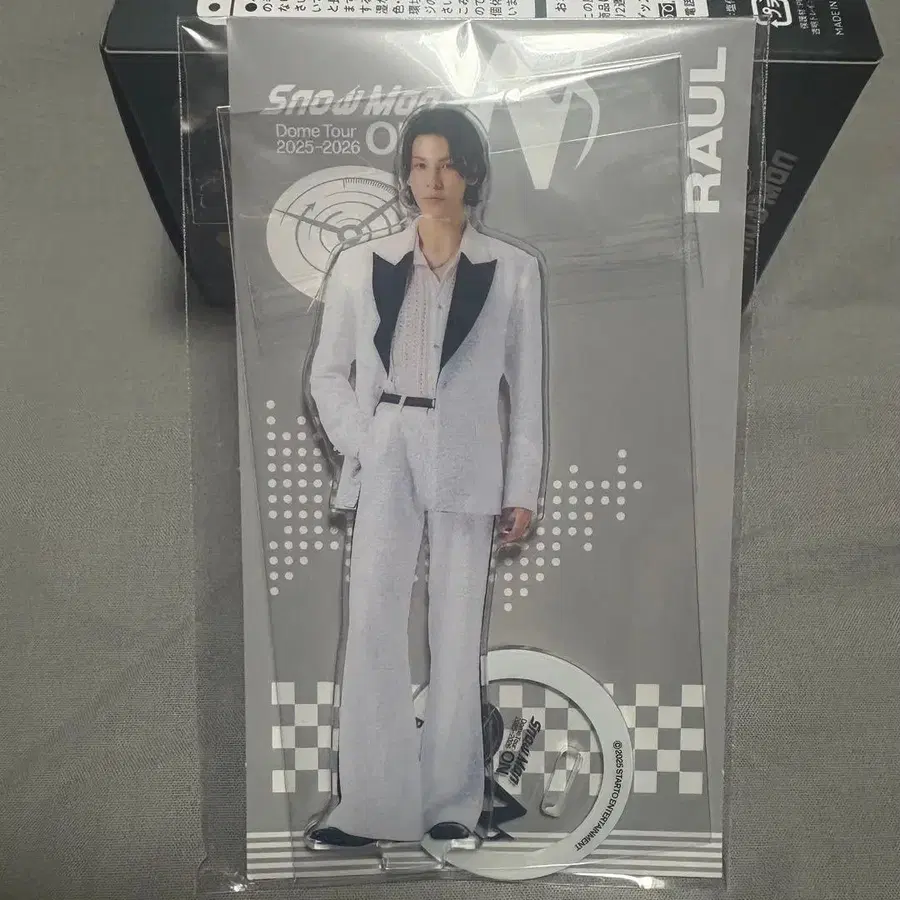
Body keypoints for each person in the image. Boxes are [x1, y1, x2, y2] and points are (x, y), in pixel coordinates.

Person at [305, 103, 545, 846]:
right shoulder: (361, 263)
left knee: (457, 625)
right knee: (372, 621)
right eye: (418, 165)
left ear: (471, 173)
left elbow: (526, 394)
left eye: (445, 165)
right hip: (387, 447)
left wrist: (521, 489)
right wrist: (364, 442)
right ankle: (369, 805)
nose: (431, 180)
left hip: (469, 455)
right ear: (406, 173)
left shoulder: (513, 271)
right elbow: (327, 374)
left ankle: (451, 802)